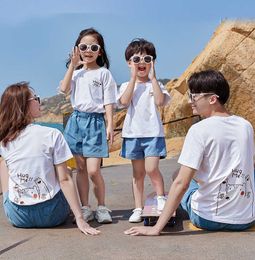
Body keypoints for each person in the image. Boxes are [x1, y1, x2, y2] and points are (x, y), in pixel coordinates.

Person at [124, 69, 255, 235]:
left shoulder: (198, 130)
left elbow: (182, 183)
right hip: (248, 218)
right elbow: (249, 163)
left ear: (212, 99)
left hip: (209, 219)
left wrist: (156, 228)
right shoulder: (245, 125)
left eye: (194, 96)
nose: (190, 101)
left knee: (177, 175)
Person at [0, 82, 99, 235]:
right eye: (36, 99)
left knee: (3, 164)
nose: (40, 102)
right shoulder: (52, 134)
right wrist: (80, 218)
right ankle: (73, 210)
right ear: (24, 105)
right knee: (65, 170)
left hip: (19, 217)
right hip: (53, 215)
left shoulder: (5, 141)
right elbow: (64, 180)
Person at [59, 28, 117, 224]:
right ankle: (85, 207)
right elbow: (63, 89)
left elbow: (109, 101)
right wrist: (72, 66)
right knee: (80, 169)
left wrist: (110, 125)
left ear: (100, 51)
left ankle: (101, 206)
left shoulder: (104, 73)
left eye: (93, 47)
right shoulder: (76, 73)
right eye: (84, 46)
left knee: (94, 170)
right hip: (76, 121)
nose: (88, 50)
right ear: (77, 49)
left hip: (95, 122)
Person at [117, 38, 171, 223]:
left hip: (153, 134)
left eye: (147, 59)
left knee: (152, 168)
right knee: (137, 174)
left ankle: (161, 197)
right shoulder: (126, 85)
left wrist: (153, 78)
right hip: (133, 135)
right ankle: (138, 208)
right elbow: (123, 102)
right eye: (136, 59)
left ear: (153, 63)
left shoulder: (156, 85)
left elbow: (160, 101)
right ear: (129, 63)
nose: (142, 63)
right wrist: (133, 78)